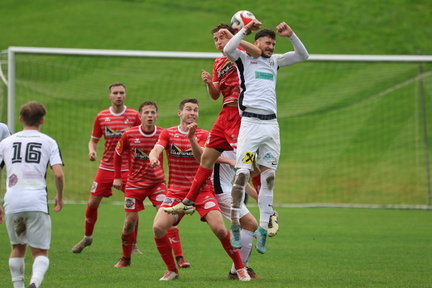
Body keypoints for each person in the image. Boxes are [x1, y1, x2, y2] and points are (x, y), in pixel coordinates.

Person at [223, 19, 309, 254]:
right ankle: (234, 225)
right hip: (250, 124)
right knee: (242, 174)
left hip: (271, 126)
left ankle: (262, 229)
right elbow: (228, 49)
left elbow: (303, 56)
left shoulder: (274, 61)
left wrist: (291, 35)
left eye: (273, 43)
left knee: (269, 177)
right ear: (256, 43)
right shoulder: (244, 58)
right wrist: (243, 30)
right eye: (267, 43)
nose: (271, 46)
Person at [163, 23, 261, 215]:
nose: (218, 42)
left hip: (242, 113)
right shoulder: (218, 63)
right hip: (225, 113)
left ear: (232, 37)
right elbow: (216, 95)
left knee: (246, 158)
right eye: (216, 39)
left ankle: (265, 203)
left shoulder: (241, 52)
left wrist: (238, 36)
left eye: (222, 37)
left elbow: (257, 52)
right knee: (207, 158)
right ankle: (189, 201)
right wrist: (209, 83)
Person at [149, 98, 251, 281]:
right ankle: (172, 270)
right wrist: (153, 157)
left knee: (220, 230)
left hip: (203, 191)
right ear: (180, 113)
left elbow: (203, 158)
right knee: (158, 228)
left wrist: (191, 139)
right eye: (188, 109)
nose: (192, 112)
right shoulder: (168, 133)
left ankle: (240, 267)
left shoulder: (205, 134)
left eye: (195, 110)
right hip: (176, 192)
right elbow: (156, 148)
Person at [112, 101, 189, 268]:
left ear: (157, 116)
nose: (150, 115)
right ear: (140, 117)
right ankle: (126, 258)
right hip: (134, 185)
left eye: (153, 112)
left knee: (167, 217)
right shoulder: (129, 134)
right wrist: (117, 177)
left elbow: (176, 153)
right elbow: (117, 154)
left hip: (157, 184)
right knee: (129, 222)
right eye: (146, 113)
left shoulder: (164, 134)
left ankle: (180, 258)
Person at [0, 101, 65, 288]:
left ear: (21, 119)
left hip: (12, 201)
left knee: (17, 248)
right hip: (36, 201)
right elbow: (58, 174)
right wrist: (59, 197)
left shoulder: (5, 142)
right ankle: (35, 283)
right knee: (40, 253)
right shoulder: (49, 142)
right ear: (42, 120)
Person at [72, 83, 142, 254]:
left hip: (127, 168)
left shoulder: (134, 116)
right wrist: (92, 150)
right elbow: (93, 139)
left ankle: (132, 245)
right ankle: (87, 238)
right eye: (115, 93)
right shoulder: (102, 116)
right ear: (109, 96)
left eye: (122, 93)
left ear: (125, 95)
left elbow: (142, 136)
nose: (119, 95)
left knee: (132, 207)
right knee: (92, 203)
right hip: (106, 167)